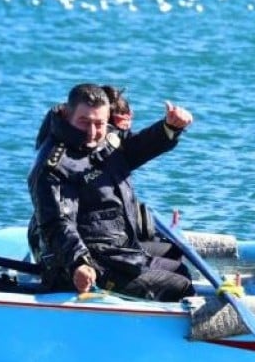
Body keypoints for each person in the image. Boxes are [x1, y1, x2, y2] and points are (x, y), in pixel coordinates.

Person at [28, 83, 195, 301]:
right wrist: (79, 263)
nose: (92, 132)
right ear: (67, 115)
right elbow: (58, 223)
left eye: (99, 123)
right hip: (85, 264)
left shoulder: (104, 141)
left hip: (118, 251)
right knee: (180, 286)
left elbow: (136, 148)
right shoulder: (55, 166)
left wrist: (169, 128)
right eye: (84, 122)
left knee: (179, 267)